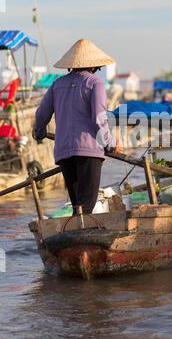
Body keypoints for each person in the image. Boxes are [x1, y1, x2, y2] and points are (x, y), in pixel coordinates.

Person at [33, 38, 119, 215]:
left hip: (64, 152)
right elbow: (99, 118)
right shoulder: (96, 83)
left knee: (78, 206)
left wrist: (39, 133)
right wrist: (110, 144)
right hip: (88, 151)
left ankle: (76, 236)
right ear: (95, 66)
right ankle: (82, 239)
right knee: (86, 206)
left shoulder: (57, 85)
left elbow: (42, 115)